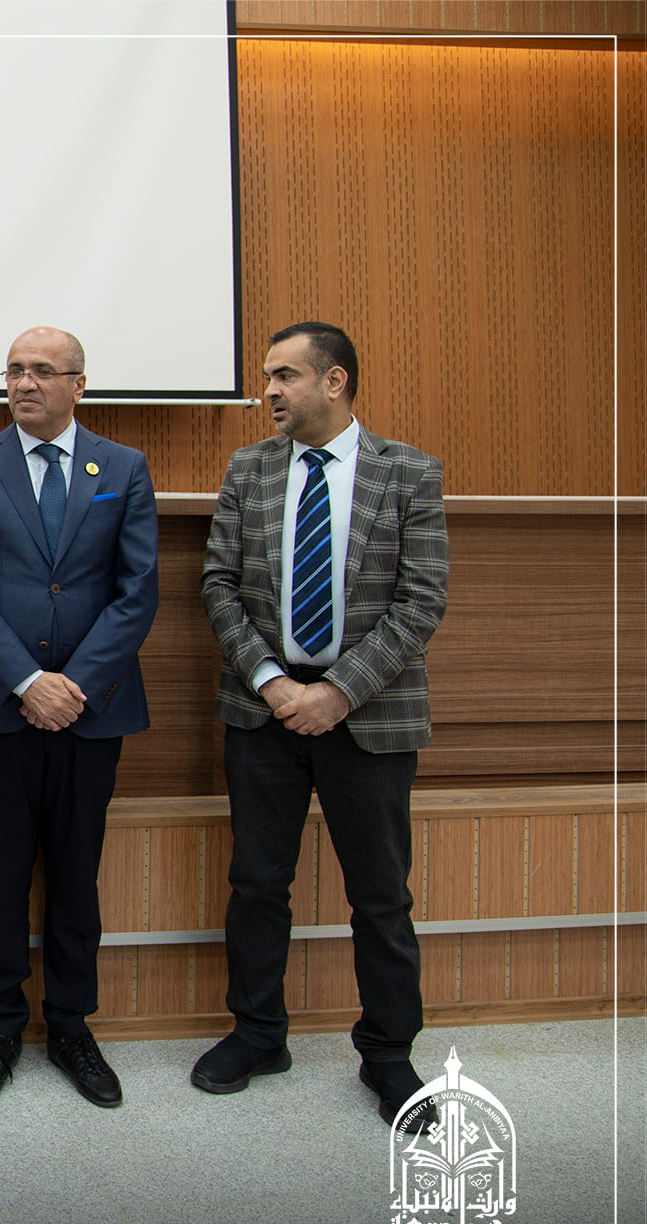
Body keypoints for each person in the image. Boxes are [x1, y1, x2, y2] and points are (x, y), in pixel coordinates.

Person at [194, 321, 448, 1127]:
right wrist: (273, 682)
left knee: (380, 895)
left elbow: (421, 601)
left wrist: (338, 691)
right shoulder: (250, 469)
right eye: (269, 376)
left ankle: (389, 1053)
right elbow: (218, 585)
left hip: (368, 715)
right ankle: (259, 1032)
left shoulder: (409, 472)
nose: (269, 390)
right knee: (257, 883)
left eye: (286, 375)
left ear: (334, 381)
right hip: (262, 712)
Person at [0, 326, 158, 1110]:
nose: (24, 383)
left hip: (93, 711)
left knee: (75, 874)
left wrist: (75, 686)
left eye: (41, 371)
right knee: (1, 874)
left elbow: (137, 590)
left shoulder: (123, 468)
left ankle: (70, 1025)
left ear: (78, 384)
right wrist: (29, 681)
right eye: (14, 371)